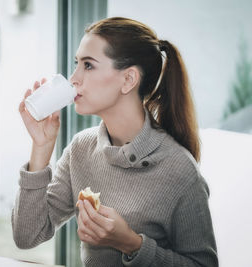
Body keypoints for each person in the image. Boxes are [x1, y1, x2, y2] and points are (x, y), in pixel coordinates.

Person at [13, 17, 218, 267]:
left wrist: (132, 244)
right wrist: (41, 148)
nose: (73, 78)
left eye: (88, 66)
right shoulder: (81, 149)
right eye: (76, 64)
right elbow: (27, 235)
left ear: (129, 80)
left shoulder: (180, 171)